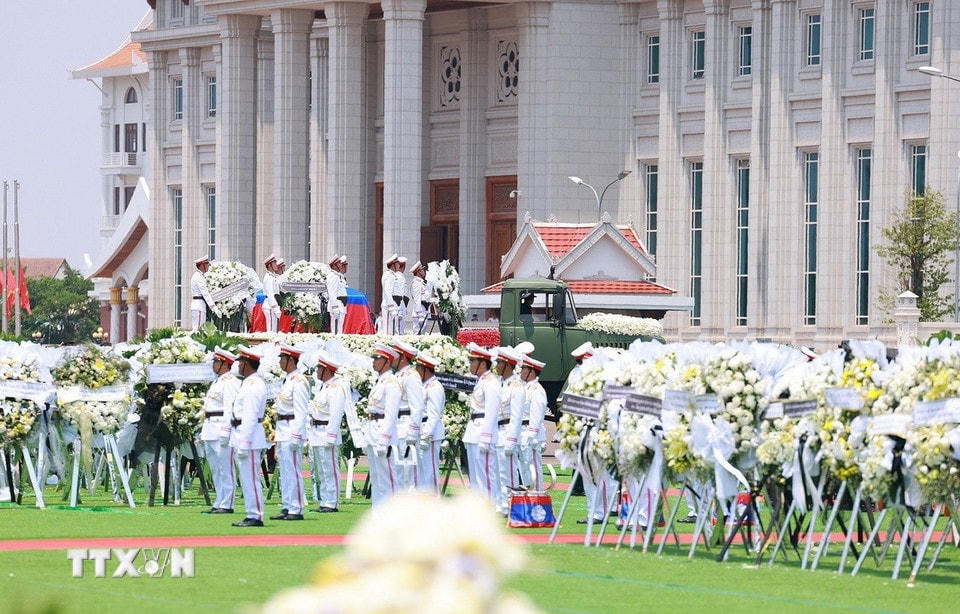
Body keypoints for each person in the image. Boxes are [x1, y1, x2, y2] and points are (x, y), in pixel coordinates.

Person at [230, 346, 269, 527]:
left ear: (246, 364)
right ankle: (251, 512)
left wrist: (244, 441)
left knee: (251, 477)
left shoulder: (254, 385)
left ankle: (256, 514)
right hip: (243, 435)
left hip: (250, 438)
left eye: (240, 362)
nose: (237, 366)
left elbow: (251, 415)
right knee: (246, 478)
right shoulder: (247, 383)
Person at [200, 347, 241, 513]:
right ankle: (219, 500)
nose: (213, 364)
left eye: (216, 361)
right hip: (210, 427)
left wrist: (226, 430)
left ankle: (228, 503)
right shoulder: (217, 381)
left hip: (221, 428)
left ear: (225, 363)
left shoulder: (231, 382)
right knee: (216, 468)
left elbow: (230, 407)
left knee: (226, 468)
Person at [271, 343, 309, 520]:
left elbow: (301, 411)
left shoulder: (299, 382)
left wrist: (296, 435)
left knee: (293, 470)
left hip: (292, 430)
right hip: (283, 430)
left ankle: (296, 507)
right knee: (285, 472)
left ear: (290, 360)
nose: (280, 362)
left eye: (282, 359)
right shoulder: (287, 381)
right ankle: (287, 505)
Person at [308, 350, 349, 513]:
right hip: (317, 432)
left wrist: (331, 437)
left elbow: (336, 414)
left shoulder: (336, 388)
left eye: (319, 368)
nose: (317, 371)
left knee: (330, 469)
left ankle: (332, 502)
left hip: (327, 433)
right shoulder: (324, 388)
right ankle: (325, 500)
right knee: (321, 470)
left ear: (327, 369)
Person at [463, 343, 501, 506]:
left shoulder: (491, 382)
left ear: (482, 363)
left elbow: (492, 411)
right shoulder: (480, 381)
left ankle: (491, 506)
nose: (470, 364)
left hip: (483, 433)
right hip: (474, 431)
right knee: (476, 475)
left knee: (486, 474)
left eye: (473, 361)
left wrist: (486, 437)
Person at [366, 343, 402, 506]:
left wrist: (384, 438)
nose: (374, 361)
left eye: (377, 358)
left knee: (388, 478)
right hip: (373, 431)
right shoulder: (380, 381)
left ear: (387, 361)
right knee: (376, 478)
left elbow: (391, 413)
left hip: (383, 435)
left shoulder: (392, 383)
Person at [495, 346, 525, 514]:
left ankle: (512, 506)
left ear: (507, 364)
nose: (496, 365)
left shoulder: (516, 386)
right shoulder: (501, 384)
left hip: (508, 432)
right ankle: (502, 504)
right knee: (499, 472)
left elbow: (516, 416)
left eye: (499, 362)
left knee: (509, 473)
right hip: (498, 432)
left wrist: (512, 440)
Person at [391, 339, 424, 491]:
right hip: (396, 426)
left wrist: (413, 430)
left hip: (405, 426)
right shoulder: (397, 376)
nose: (392, 358)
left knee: (409, 472)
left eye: (395, 355)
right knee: (397, 470)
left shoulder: (412, 376)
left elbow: (417, 406)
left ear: (403, 357)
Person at [415, 351, 446, 495]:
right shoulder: (425, 386)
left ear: (424, 369)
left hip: (430, 433)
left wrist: (426, 435)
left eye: (418, 367)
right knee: (421, 472)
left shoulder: (435, 387)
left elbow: (433, 414)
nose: (416, 371)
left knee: (430, 471)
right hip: (421, 430)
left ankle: (434, 501)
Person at [519, 353, 547, 491]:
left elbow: (537, 414)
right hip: (522, 431)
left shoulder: (537, 390)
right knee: (524, 469)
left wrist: (532, 435)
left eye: (523, 368)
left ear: (531, 371)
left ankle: (538, 497)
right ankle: (528, 497)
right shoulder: (524, 388)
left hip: (531, 434)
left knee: (534, 469)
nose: (521, 371)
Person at [190, 255, 221, 330]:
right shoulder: (198, 277)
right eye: (206, 264)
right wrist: (214, 308)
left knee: (199, 330)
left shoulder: (199, 276)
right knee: (197, 331)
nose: (208, 266)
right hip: (199, 306)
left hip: (199, 305)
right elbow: (205, 294)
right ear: (201, 265)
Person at [409, 261, 434, 334]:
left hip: (424, 310)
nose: (424, 271)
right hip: (419, 312)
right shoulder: (416, 283)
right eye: (422, 270)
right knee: (417, 334)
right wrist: (419, 313)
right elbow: (417, 298)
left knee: (422, 334)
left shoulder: (422, 282)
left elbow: (427, 295)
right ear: (418, 272)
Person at [326, 254, 347, 335]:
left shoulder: (337, 276)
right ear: (334, 265)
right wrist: (335, 307)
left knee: (339, 329)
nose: (340, 265)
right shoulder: (332, 276)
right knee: (336, 330)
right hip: (337, 305)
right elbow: (332, 293)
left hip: (341, 304)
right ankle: (335, 345)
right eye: (338, 263)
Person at [380, 254, 400, 335]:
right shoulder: (389, 276)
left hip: (393, 303)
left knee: (392, 330)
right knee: (388, 331)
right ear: (393, 265)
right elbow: (388, 292)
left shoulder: (391, 275)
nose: (399, 265)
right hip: (389, 305)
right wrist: (391, 307)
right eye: (397, 263)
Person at [262, 255, 281, 333]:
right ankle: (270, 345)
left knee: (274, 329)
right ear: (269, 265)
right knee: (271, 330)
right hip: (270, 306)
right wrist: (275, 308)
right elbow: (270, 294)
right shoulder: (269, 278)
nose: (276, 264)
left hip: (271, 305)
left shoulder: (272, 276)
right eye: (274, 263)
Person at [394, 257, 409, 334]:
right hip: (400, 304)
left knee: (397, 328)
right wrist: (400, 310)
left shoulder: (395, 276)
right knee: (400, 329)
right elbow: (401, 293)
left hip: (397, 304)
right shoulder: (400, 277)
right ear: (403, 267)